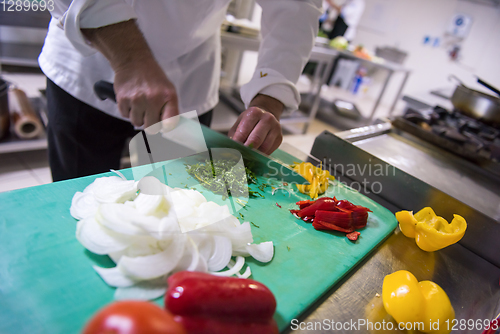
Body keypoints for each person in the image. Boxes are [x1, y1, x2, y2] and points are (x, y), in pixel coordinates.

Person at [39, 1, 322, 181]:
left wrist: (270, 93)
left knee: (184, 204)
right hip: (91, 60)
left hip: (190, 73)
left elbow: (297, 7)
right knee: (81, 198)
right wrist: (129, 59)